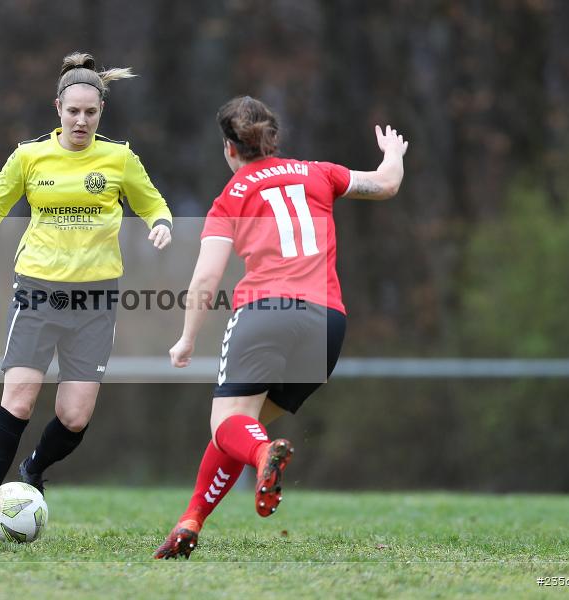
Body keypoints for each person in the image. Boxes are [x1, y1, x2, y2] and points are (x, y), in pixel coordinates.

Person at [154, 96, 407, 559]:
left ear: (230, 148)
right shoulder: (319, 172)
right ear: (272, 139)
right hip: (327, 322)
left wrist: (187, 337)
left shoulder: (230, 197)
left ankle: (262, 456)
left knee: (230, 426)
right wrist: (393, 154)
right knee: (240, 427)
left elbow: (206, 279)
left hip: (267, 312)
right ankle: (191, 520)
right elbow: (386, 185)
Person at [0, 52, 172, 543]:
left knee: (75, 417)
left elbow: (153, 200)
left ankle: (33, 469)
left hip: (95, 301)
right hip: (37, 291)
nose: (81, 120)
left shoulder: (118, 158)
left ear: (101, 113)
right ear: (58, 107)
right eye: (73, 111)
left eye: (90, 113)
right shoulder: (30, 156)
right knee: (19, 402)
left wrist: (160, 224)